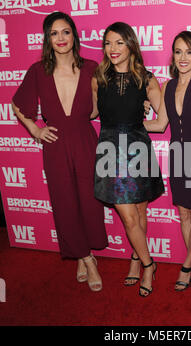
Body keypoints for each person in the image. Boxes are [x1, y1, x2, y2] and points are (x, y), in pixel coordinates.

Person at [12, 12, 108, 292]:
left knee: (90, 200)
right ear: (48, 38)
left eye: (66, 32)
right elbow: (17, 104)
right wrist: (35, 130)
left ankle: (82, 252)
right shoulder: (38, 70)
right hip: (55, 144)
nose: (61, 38)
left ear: (74, 35)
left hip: (85, 139)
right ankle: (87, 259)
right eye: (54, 33)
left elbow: (96, 108)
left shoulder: (92, 67)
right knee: (65, 202)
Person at [92, 22, 164, 297]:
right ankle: (149, 264)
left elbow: (164, 119)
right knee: (129, 216)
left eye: (119, 42)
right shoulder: (97, 78)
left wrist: (136, 124)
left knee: (140, 213)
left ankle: (135, 259)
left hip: (137, 149)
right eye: (108, 43)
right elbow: (89, 112)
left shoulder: (146, 78)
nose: (113, 48)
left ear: (131, 45)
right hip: (110, 150)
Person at [143, 31, 191, 291]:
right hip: (178, 157)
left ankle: (186, 266)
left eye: (189, 51)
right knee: (184, 216)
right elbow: (160, 123)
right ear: (173, 56)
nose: (183, 57)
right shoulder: (168, 86)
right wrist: (128, 121)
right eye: (178, 51)